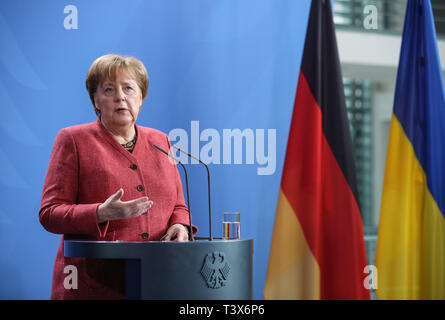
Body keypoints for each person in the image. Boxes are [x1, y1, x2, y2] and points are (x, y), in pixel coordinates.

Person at [39, 54, 195, 299]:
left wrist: (180, 225)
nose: (120, 97)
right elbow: (50, 214)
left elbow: (178, 204)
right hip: (92, 285)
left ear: (141, 98)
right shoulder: (73, 140)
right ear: (96, 100)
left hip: (156, 281)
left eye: (129, 88)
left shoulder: (160, 141)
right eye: (109, 89)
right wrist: (100, 213)